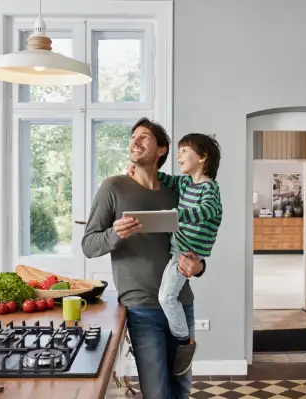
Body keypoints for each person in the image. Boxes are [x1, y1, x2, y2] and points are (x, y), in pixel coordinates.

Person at [81, 117, 206, 399]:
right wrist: (115, 234)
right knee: (157, 392)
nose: (135, 141)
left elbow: (197, 240)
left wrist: (199, 266)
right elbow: (89, 245)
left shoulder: (178, 192)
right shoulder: (113, 187)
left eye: (145, 137)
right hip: (141, 310)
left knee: (182, 389)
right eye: (133, 136)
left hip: (181, 304)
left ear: (162, 149)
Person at [127, 133, 222, 376]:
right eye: (178, 151)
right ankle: (180, 338)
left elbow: (208, 210)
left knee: (166, 298)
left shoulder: (209, 189)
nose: (178, 156)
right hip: (179, 250)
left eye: (183, 151)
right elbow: (164, 178)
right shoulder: (185, 183)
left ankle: (183, 342)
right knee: (168, 297)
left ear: (202, 157)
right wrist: (136, 170)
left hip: (185, 254)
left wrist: (176, 217)